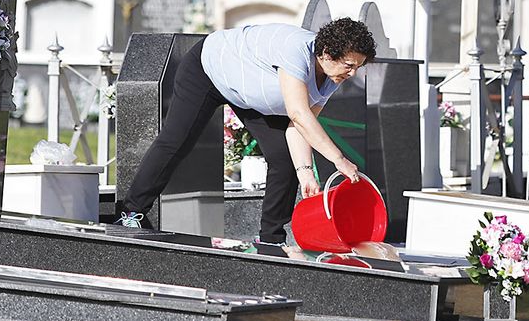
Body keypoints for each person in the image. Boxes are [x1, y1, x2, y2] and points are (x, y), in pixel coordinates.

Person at [116, 17, 376, 246]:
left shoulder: (330, 78)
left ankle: (271, 239)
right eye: (349, 65)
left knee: (284, 158)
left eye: (357, 67)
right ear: (328, 53)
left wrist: (305, 173)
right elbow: (298, 113)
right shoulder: (296, 50)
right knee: (177, 140)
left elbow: (297, 127)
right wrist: (339, 160)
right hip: (209, 70)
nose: (352, 74)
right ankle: (130, 212)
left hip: (250, 95)